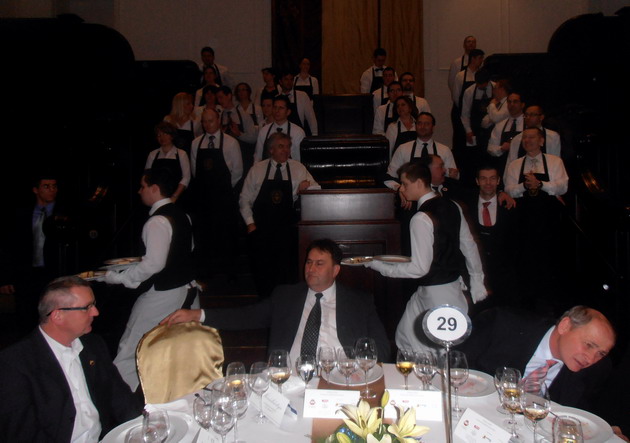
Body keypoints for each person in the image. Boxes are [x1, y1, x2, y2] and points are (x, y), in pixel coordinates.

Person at [162, 239, 390, 363]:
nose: (311, 269)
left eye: (319, 264)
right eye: (309, 262)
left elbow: (382, 349)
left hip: (342, 376)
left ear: (336, 270)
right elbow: (245, 316)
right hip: (290, 379)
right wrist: (197, 314)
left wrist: (359, 370)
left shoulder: (359, 302)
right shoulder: (286, 297)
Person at [0, 276, 141, 441]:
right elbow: (23, 434)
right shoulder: (15, 363)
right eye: (87, 307)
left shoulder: (93, 345)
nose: (95, 312)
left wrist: (143, 426)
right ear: (57, 315)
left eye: (93, 305)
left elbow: (120, 398)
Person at [366, 161, 487, 351]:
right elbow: (468, 245)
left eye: (405, 184)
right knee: (405, 338)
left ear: (419, 183)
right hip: (446, 289)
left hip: (436, 294)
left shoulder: (420, 218)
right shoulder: (453, 205)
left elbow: (419, 268)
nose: (401, 189)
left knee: (435, 350)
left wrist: (379, 266)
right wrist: (477, 279)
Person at [103, 168, 199, 390]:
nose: (140, 191)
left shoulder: (157, 221)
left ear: (154, 189)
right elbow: (187, 249)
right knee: (185, 348)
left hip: (165, 293)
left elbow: (154, 264)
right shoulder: (182, 215)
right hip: (188, 290)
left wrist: (118, 278)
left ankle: (119, 400)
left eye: (143, 186)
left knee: (132, 347)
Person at [459, 305, 615, 411]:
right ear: (565, 326)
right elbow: (456, 369)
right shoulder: (501, 324)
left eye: (601, 353)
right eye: (589, 345)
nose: (591, 359)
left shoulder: (595, 372)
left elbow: (581, 417)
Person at [240, 133, 320, 298]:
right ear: (271, 150)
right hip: (261, 230)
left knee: (286, 271)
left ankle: (284, 302)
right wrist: (250, 224)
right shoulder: (257, 169)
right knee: (263, 271)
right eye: (281, 146)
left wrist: (305, 188)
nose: (286, 150)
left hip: (286, 230)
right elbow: (244, 199)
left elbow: (317, 188)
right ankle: (264, 301)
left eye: (288, 147)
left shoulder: (298, 168)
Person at [1, 174, 77, 333]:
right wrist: (7, 277)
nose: (52, 190)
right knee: (25, 314)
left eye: (54, 186)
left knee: (54, 313)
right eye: (46, 186)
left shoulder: (64, 213)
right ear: (36, 190)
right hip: (26, 272)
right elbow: (11, 246)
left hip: (54, 272)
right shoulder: (22, 214)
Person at [189, 108, 242, 272]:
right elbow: (194, 171)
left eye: (210, 120)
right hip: (204, 198)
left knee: (226, 235)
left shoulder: (231, 142)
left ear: (218, 121)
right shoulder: (196, 143)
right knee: (204, 235)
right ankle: (206, 271)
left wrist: (223, 188)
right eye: (204, 121)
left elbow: (238, 171)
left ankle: (229, 271)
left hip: (224, 198)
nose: (207, 124)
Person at [464, 166, 518, 307]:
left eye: (492, 178)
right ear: (477, 181)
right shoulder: (466, 205)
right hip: (475, 272)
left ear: (498, 180)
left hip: (504, 276)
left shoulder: (509, 206)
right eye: (483, 179)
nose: (488, 183)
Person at [503, 127, 568, 198]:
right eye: (524, 137)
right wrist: (524, 186)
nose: (526, 140)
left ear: (541, 141)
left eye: (531, 137)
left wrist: (540, 184)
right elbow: (508, 191)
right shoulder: (514, 165)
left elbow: (563, 188)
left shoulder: (555, 161)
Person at [459, 68, 494, 185]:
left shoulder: (496, 88)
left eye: (483, 85)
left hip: (492, 130)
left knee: (490, 158)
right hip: (476, 130)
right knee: (475, 159)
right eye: (479, 84)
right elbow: (465, 114)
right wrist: (468, 131)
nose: (481, 87)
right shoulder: (469, 92)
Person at [144, 121, 191, 203]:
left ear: (172, 136)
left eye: (165, 134)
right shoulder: (152, 154)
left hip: (177, 197)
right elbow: (147, 176)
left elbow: (186, 178)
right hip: (157, 197)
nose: (162, 137)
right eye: (159, 135)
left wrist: (174, 197)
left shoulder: (181, 154)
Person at [253, 95, 306, 162]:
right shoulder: (264, 131)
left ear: (288, 112)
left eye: (281, 108)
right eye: (275, 107)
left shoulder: (298, 132)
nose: (277, 111)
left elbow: (299, 159)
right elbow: (258, 156)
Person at [451, 49, 485, 151]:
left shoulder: (482, 74)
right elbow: (456, 96)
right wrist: (465, 108)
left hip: (476, 113)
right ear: (473, 59)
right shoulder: (460, 76)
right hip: (460, 112)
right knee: (460, 139)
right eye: (480, 58)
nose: (482, 61)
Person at [487, 92, 525, 175]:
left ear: (522, 105)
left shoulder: (528, 125)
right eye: (509, 102)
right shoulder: (500, 125)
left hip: (524, 168)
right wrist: (501, 149)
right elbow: (490, 147)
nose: (512, 104)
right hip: (505, 169)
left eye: (515, 101)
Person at [278, 71, 318, 136]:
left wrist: (314, 134)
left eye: (291, 79)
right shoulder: (277, 98)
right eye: (286, 79)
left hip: (298, 135)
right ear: (280, 82)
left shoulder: (302, 96)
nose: (289, 82)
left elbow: (311, 118)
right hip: (281, 135)